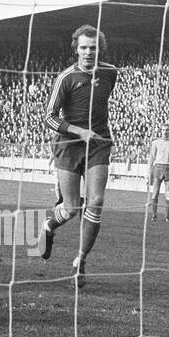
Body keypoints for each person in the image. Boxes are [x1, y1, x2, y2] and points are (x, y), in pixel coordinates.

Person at [36, 25, 118, 288]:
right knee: (71, 208)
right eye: (83, 47)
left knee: (96, 200)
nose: (88, 52)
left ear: (99, 49)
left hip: (98, 143)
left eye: (93, 47)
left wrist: (92, 133)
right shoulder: (66, 77)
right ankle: (48, 227)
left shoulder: (110, 72)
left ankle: (80, 261)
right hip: (70, 144)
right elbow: (49, 116)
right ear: (76, 48)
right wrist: (78, 131)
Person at [146, 128, 169, 222]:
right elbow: (151, 158)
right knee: (155, 193)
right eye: (163, 130)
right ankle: (154, 215)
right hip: (158, 167)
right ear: (161, 131)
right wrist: (148, 171)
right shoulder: (155, 143)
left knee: (168, 193)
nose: (165, 131)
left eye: (167, 130)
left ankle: (167, 216)